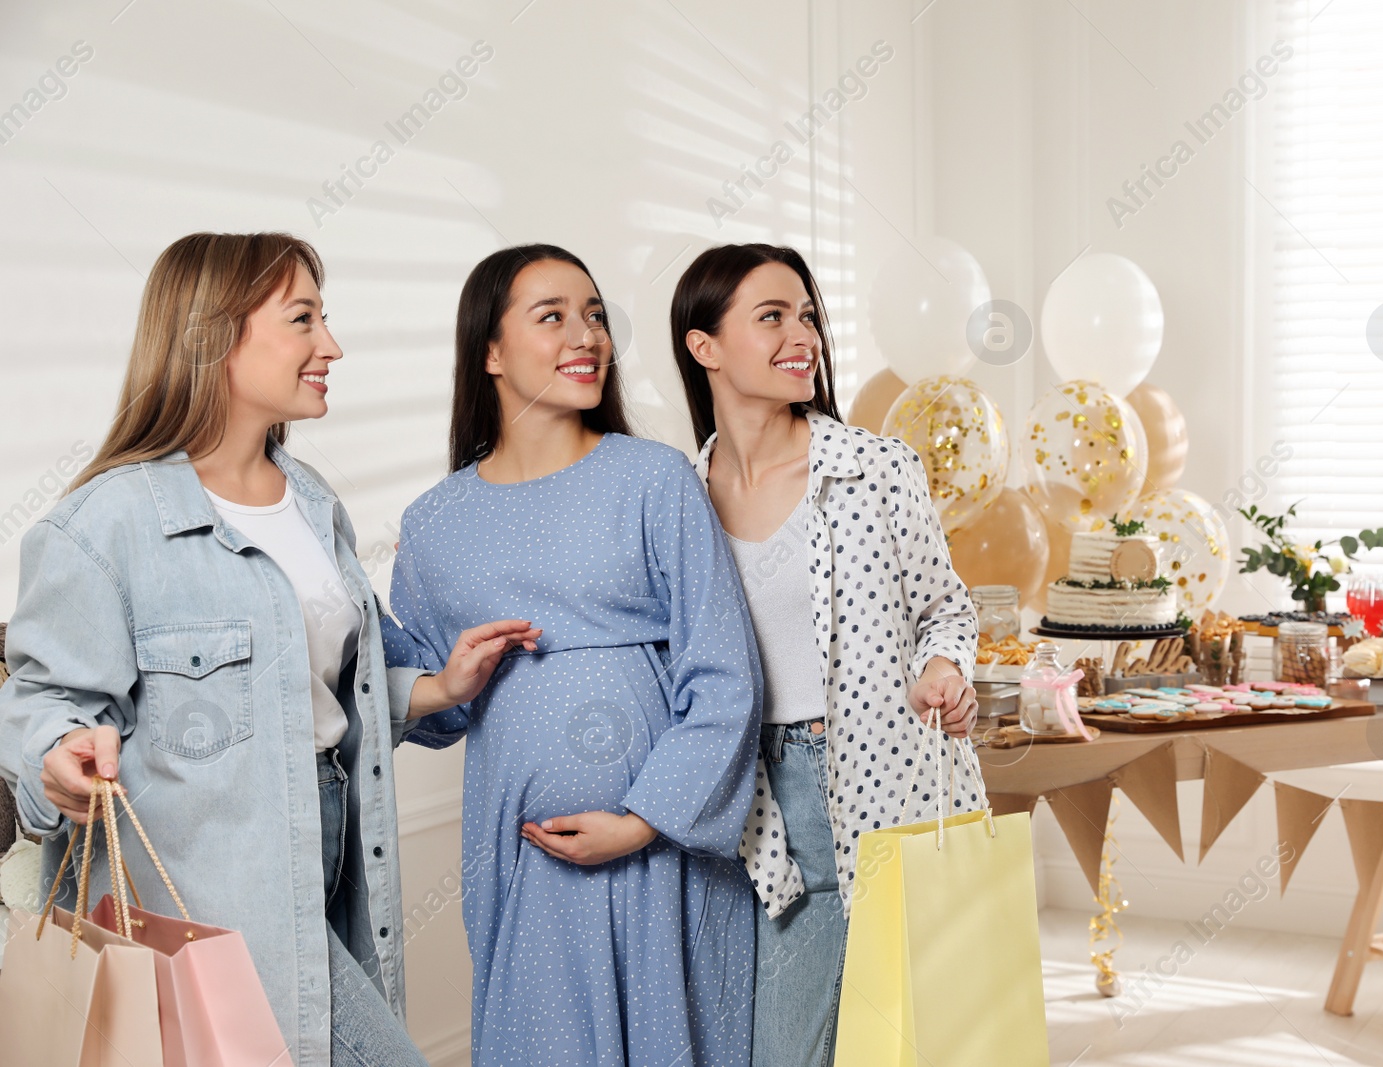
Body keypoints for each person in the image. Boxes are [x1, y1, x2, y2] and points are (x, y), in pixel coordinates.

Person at [0, 232, 534, 1067]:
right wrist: (58, 757)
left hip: (337, 853)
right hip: (204, 886)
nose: (332, 345)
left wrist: (435, 688)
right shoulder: (105, 526)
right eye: (303, 319)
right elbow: (44, 705)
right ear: (215, 335)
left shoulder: (314, 505)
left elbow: (321, 689)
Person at [381, 244, 762, 1066]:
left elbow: (724, 674)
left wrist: (640, 821)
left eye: (593, 315)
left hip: (662, 851)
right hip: (522, 857)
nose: (585, 335)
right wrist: (444, 681)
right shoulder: (436, 522)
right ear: (489, 349)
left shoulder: (654, 480)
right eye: (551, 316)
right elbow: (423, 701)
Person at [669, 243, 984, 1067]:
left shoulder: (878, 470)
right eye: (771, 316)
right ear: (704, 346)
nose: (801, 333)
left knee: (918, 1042)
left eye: (806, 315)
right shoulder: (679, 500)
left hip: (893, 780)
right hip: (761, 803)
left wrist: (945, 669)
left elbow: (946, 609)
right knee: (785, 1049)